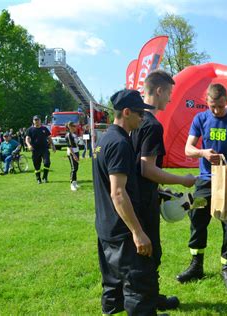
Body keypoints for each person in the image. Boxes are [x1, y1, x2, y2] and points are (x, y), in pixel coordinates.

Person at [177, 83, 227, 290]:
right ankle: (196, 265)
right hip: (205, 180)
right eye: (212, 106)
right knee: (196, 218)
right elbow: (188, 149)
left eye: (220, 107)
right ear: (207, 102)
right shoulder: (201, 119)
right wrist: (203, 153)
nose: (216, 111)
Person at [130, 69, 196, 310]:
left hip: (132, 195)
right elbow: (148, 169)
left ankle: (149, 298)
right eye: (169, 93)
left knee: (143, 251)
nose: (170, 98)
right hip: (143, 199)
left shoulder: (133, 120)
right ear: (159, 91)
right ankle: (148, 302)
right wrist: (182, 180)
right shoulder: (152, 125)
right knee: (149, 251)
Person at [93, 89, 158, 315]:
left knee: (112, 284)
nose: (143, 117)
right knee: (139, 286)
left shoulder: (104, 139)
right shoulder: (120, 143)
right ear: (127, 112)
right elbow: (118, 193)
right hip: (122, 231)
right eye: (140, 113)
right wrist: (138, 232)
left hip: (105, 226)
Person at [25, 115, 56, 184]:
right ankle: (38, 179)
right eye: (35, 120)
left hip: (44, 149)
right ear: (33, 121)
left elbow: (49, 138)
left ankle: (45, 177)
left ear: (40, 120)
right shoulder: (30, 130)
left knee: (47, 163)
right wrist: (29, 145)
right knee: (37, 166)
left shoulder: (44, 128)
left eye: (38, 120)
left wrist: (53, 145)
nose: (37, 121)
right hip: (35, 150)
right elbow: (27, 139)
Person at [65, 121, 81, 191]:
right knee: (74, 168)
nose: (75, 127)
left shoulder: (74, 134)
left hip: (76, 151)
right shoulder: (68, 135)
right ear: (70, 127)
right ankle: (72, 184)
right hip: (72, 152)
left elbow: (76, 143)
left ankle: (75, 182)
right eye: (74, 126)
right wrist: (74, 155)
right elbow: (70, 146)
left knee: (76, 167)